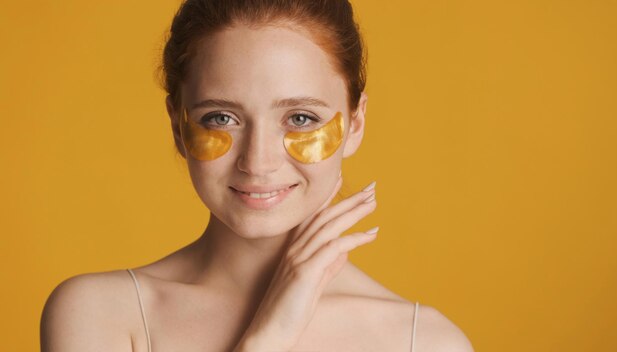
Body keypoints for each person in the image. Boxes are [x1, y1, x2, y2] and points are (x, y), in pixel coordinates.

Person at [40, 0, 474, 351]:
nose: (258, 162)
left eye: (301, 118)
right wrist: (269, 336)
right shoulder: (100, 315)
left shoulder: (426, 342)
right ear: (177, 125)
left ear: (355, 124)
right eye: (222, 117)